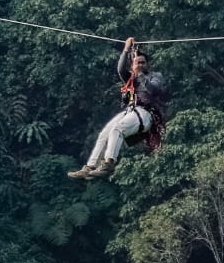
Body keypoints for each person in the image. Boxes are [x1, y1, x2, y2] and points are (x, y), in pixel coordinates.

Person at [68, 36, 167, 179]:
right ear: (132, 65)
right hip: (130, 111)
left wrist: (140, 75)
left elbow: (153, 90)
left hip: (145, 114)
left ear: (147, 64)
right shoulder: (130, 78)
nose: (140, 65)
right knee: (104, 134)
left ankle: (109, 163)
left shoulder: (154, 76)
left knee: (117, 129)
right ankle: (90, 166)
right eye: (137, 63)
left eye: (143, 63)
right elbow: (121, 69)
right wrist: (126, 49)